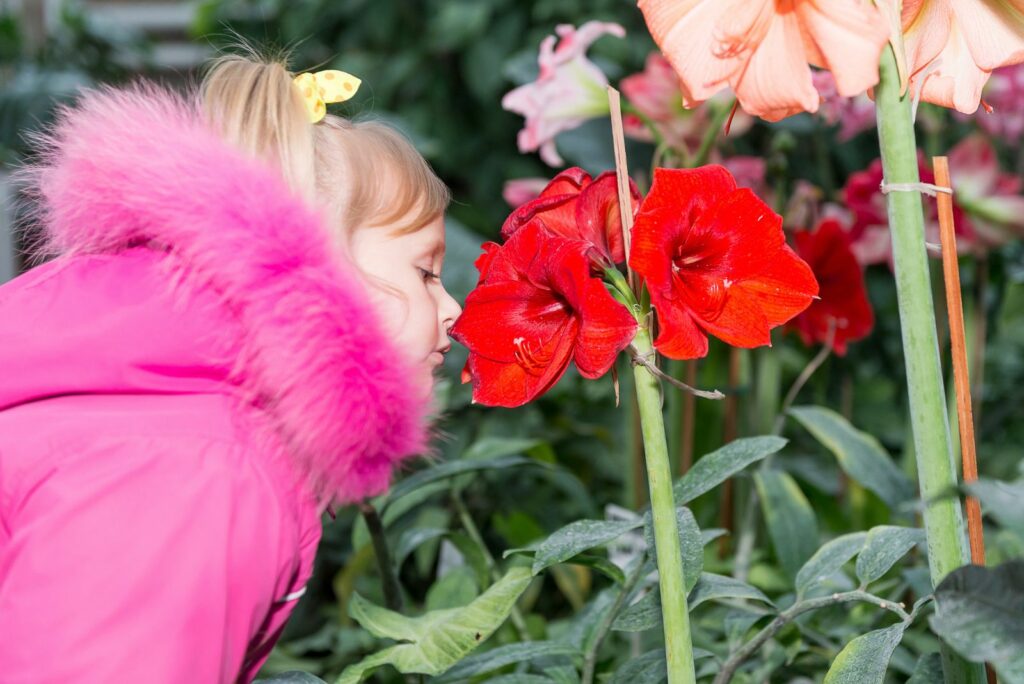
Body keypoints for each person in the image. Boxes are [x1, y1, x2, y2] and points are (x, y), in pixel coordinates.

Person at [0, 45, 462, 682]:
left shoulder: (159, 407)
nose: (454, 309)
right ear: (318, 269)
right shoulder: (202, 470)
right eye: (425, 273)